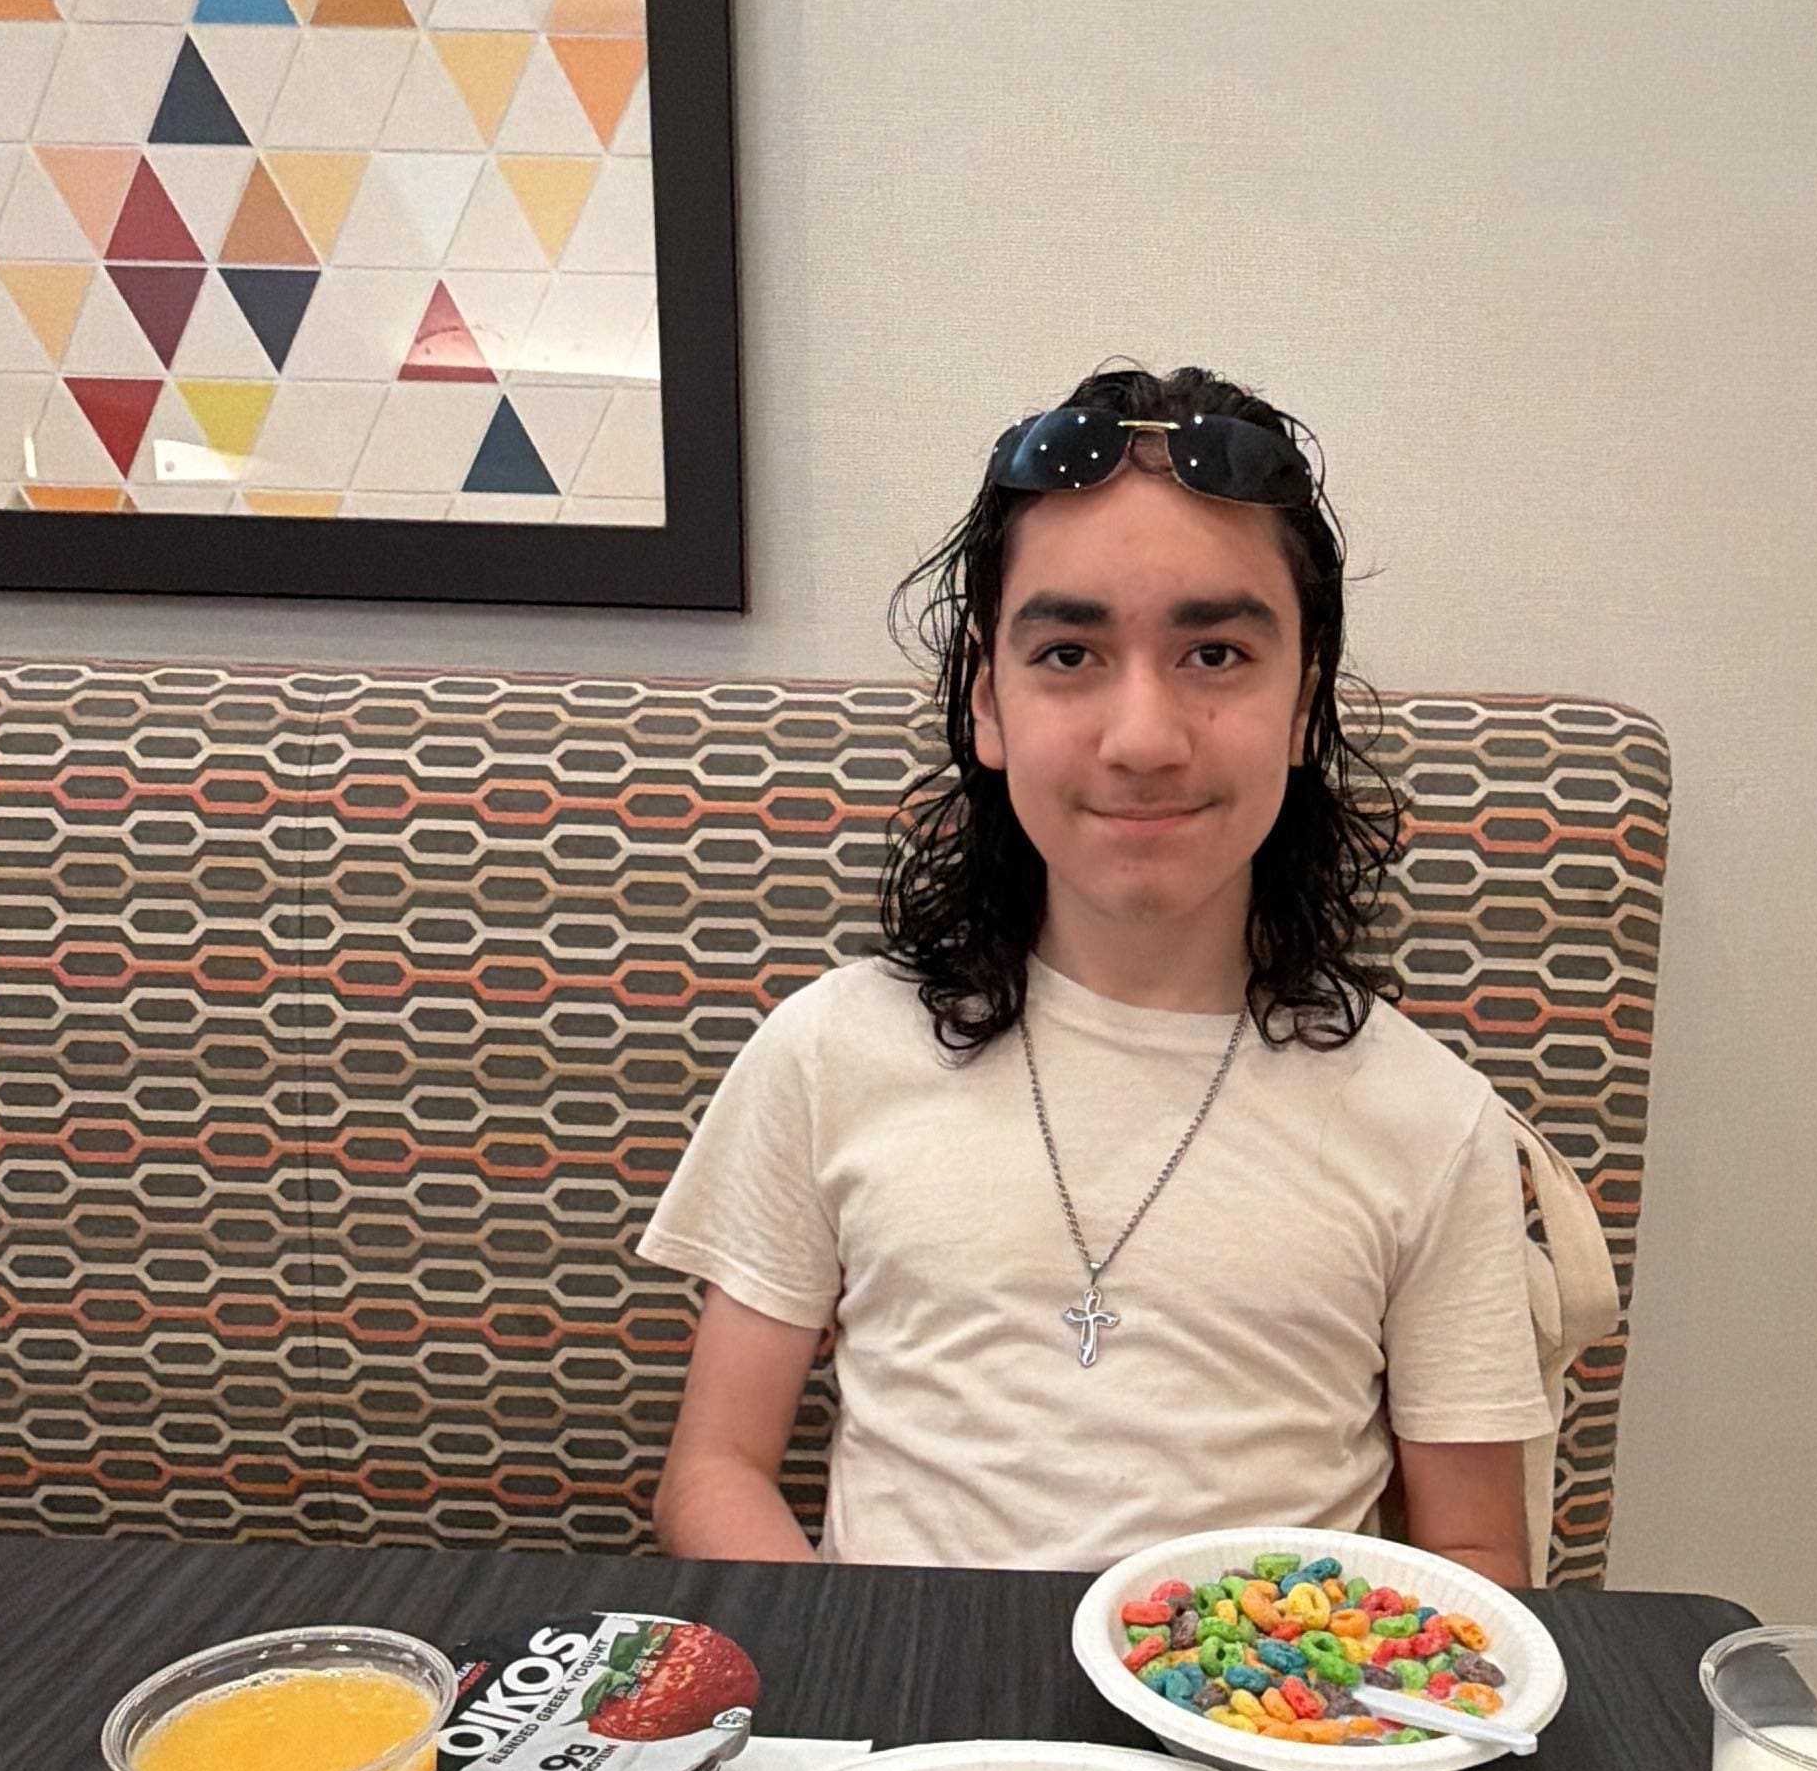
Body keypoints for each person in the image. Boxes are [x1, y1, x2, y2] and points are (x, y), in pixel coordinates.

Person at [643, 361, 1554, 1581]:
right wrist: (853, 1673)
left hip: (1260, 1747)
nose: (1142, 740)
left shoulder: (1432, 1121)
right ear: (987, 701)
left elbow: (1478, 1550)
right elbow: (716, 1473)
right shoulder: (828, 1053)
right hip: (907, 1747)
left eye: (1217, 655)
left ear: (1305, 702)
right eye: (1069, 654)